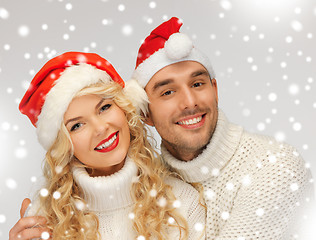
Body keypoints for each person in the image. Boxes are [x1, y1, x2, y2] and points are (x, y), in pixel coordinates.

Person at [129, 17, 315, 239]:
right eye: (168, 92)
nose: (189, 102)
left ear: (215, 90)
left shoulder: (275, 165)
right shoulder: (150, 184)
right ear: (144, 113)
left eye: (197, 84)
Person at [9, 52, 206, 240]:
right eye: (77, 125)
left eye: (104, 108)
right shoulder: (46, 220)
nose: (100, 128)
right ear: (63, 145)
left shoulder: (183, 202)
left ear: (125, 110)